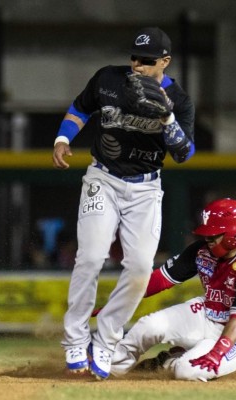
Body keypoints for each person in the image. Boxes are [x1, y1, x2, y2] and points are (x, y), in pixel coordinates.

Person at [52, 26, 195, 380]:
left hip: (146, 190)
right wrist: (62, 137)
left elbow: (184, 154)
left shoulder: (178, 100)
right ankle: (75, 338)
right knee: (90, 256)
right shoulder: (108, 79)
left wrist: (167, 118)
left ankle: (106, 340)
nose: (137, 65)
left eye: (147, 61)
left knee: (140, 267)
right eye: (134, 57)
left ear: (165, 61)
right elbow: (80, 108)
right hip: (103, 179)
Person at [109, 198, 236, 382]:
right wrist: (121, 299)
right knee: (148, 327)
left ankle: (167, 362)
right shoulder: (202, 250)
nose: (208, 240)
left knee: (187, 371)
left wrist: (217, 353)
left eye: (213, 236)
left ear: (233, 234)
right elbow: (161, 279)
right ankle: (112, 367)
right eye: (206, 235)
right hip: (208, 313)